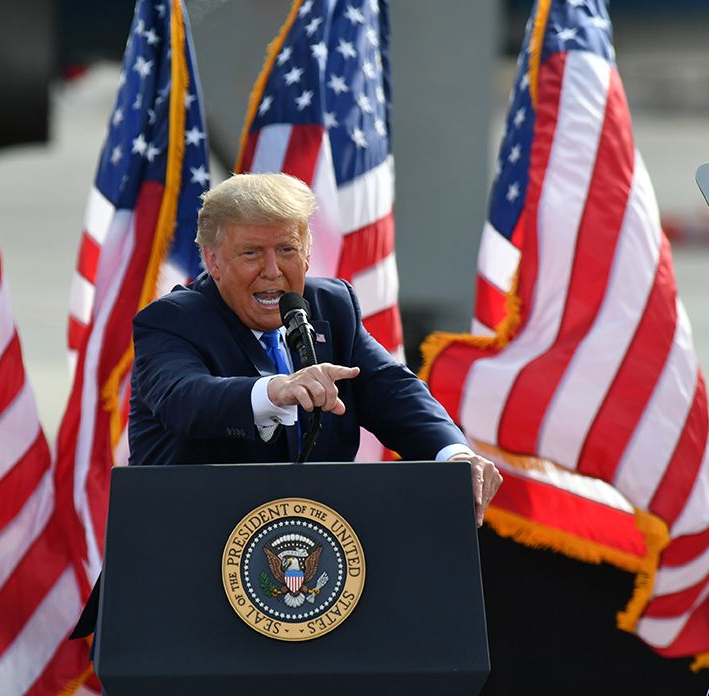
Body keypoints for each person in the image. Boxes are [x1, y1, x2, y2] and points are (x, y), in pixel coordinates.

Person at [128, 172, 502, 524]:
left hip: (316, 546)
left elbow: (394, 391)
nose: (272, 270)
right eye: (252, 253)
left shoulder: (332, 308)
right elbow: (185, 398)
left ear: (307, 254)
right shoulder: (172, 320)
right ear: (213, 260)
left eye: (287, 249)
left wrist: (454, 455)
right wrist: (274, 391)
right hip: (188, 542)